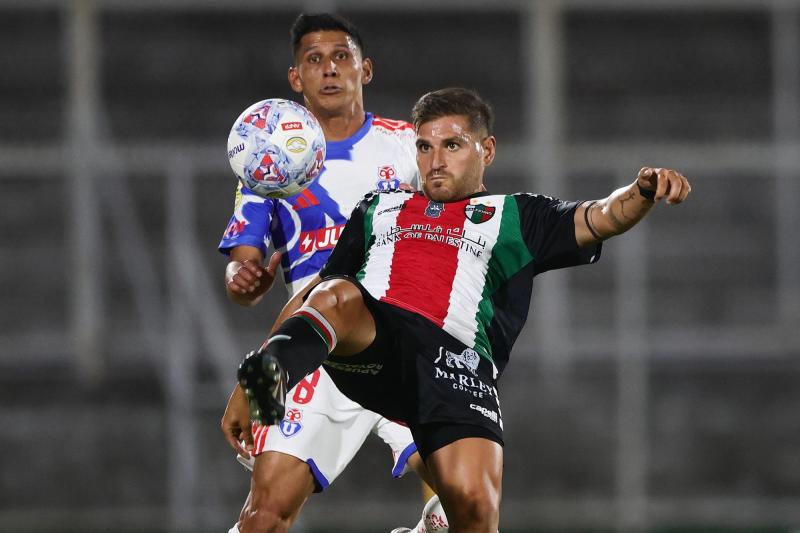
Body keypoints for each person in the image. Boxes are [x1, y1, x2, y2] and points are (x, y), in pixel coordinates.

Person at [236, 87, 692, 532]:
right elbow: (319, 292)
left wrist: (642, 191)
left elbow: (602, 216)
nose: (435, 161)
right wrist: (252, 378)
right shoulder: (380, 206)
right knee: (337, 293)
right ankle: (273, 374)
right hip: (378, 343)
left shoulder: (518, 215)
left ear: (486, 150)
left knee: (474, 509)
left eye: (451, 145)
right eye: (424, 146)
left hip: (455, 367)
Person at [219, 13, 441, 533]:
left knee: (456, 472)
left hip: (398, 333)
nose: (329, 70)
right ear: (296, 78)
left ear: (365, 69)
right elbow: (242, 269)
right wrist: (243, 282)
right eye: (314, 61)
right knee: (265, 515)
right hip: (314, 343)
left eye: (341, 57)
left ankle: (442, 520)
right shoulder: (266, 164)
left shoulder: (408, 145)